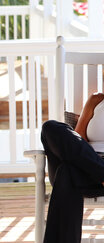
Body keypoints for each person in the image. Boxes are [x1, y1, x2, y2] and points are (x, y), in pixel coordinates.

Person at [41, 92, 104, 243]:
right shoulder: (96, 100)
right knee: (51, 127)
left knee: (66, 172)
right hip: (84, 162)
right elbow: (78, 138)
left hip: (79, 173)